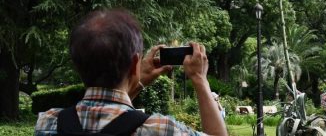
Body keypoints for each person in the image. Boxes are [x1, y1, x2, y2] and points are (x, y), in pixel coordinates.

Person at [34, 9, 227, 136]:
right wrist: (200, 80)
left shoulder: (48, 123)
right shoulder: (160, 129)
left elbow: (107, 121)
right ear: (135, 62)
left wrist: (135, 81)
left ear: (77, 65)